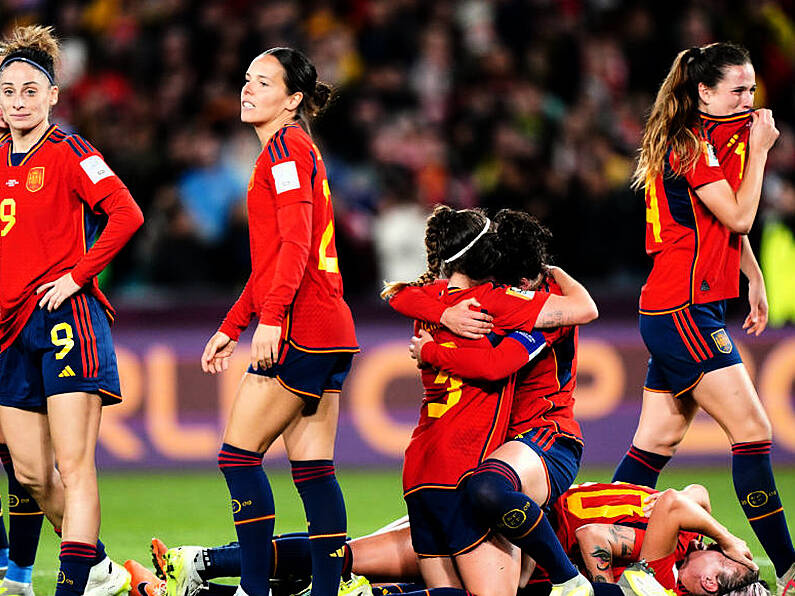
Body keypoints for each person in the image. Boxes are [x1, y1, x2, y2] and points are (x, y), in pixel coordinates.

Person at [608, 42, 794, 590]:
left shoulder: (707, 138)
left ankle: (594, 552)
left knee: (656, 443)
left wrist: (753, 277)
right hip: (681, 309)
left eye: (752, 89)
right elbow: (738, 213)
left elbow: (718, 225)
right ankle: (788, 567)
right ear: (704, 93)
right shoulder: (690, 144)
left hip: (684, 306)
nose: (749, 100)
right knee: (754, 431)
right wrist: (761, 152)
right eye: (737, 90)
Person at [196, 47, 358, 596]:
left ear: (292, 101)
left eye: (263, 83)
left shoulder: (285, 150)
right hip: (327, 326)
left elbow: (294, 245)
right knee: (313, 469)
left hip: (304, 326)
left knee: (238, 457)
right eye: (246, 79)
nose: (247, 89)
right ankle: (326, 592)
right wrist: (232, 324)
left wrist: (270, 319)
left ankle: (252, 588)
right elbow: (269, 263)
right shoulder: (290, 149)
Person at [383, 205, 597, 596]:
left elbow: (395, 294)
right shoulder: (501, 302)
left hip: (424, 466)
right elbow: (500, 362)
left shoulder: (429, 298)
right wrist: (552, 272)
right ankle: (570, 579)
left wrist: (435, 337)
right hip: (463, 466)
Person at [0, 24, 143, 596]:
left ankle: (72, 587)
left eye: (30, 90)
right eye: (8, 90)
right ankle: (102, 573)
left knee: (76, 468)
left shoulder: (70, 152)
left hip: (65, 319)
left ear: (53, 95)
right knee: (32, 474)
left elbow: (126, 213)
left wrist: (78, 277)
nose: (18, 101)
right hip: (10, 330)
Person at [143, 482, 765, 596]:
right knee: (369, 560)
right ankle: (206, 565)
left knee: (368, 561)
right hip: (526, 533)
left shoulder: (669, 563)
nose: (713, 554)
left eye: (722, 564)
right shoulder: (680, 548)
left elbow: (680, 505)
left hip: (529, 537)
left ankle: (203, 568)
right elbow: (692, 497)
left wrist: (728, 538)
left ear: (711, 578)